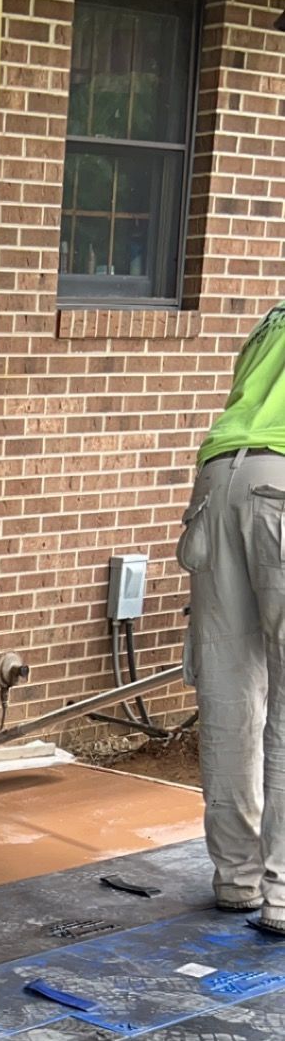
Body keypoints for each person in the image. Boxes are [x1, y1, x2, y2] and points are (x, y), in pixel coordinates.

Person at [180, 306, 285, 933]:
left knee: (228, 690)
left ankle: (237, 878)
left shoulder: (274, 319)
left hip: (220, 482)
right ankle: (284, 894)